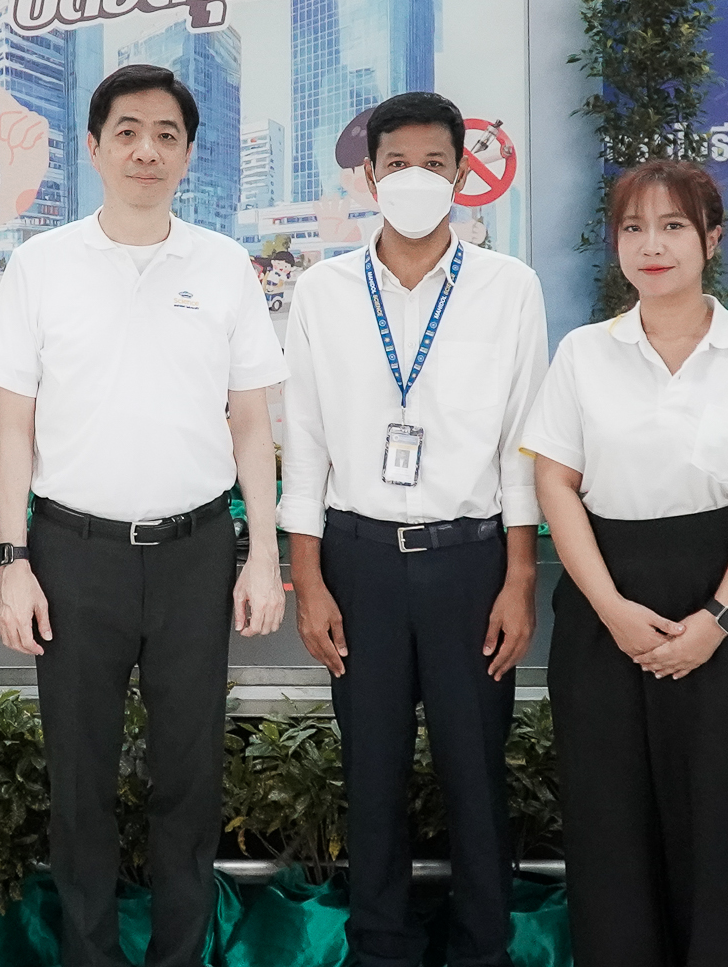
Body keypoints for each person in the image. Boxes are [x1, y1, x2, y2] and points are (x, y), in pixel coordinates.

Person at [0, 64, 288, 967]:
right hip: (73, 552)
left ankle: (177, 953)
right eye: (126, 131)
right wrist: (12, 558)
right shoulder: (41, 265)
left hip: (197, 549)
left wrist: (261, 552)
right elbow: (13, 425)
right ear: (94, 146)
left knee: (188, 775)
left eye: (165, 134)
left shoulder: (224, 265)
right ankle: (90, 954)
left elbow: (251, 421)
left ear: (188, 153)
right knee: (79, 779)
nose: (145, 149)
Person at [280, 91, 547, 967]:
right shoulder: (323, 291)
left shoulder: (508, 288)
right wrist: (308, 579)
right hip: (358, 560)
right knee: (372, 771)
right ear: (369, 176)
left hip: (471, 561)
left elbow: (521, 445)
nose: (416, 179)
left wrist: (519, 577)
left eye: (435, 164)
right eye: (398, 164)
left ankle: (483, 947)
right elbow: (305, 442)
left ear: (463, 175)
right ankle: (382, 945)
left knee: (476, 772)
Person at [520, 159, 728, 967]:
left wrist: (720, 619)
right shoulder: (584, 352)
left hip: (721, 601)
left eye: (674, 225)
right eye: (634, 227)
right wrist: (610, 607)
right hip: (603, 604)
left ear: (712, 239)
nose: (652, 245)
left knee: (719, 813)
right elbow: (555, 483)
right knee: (607, 815)